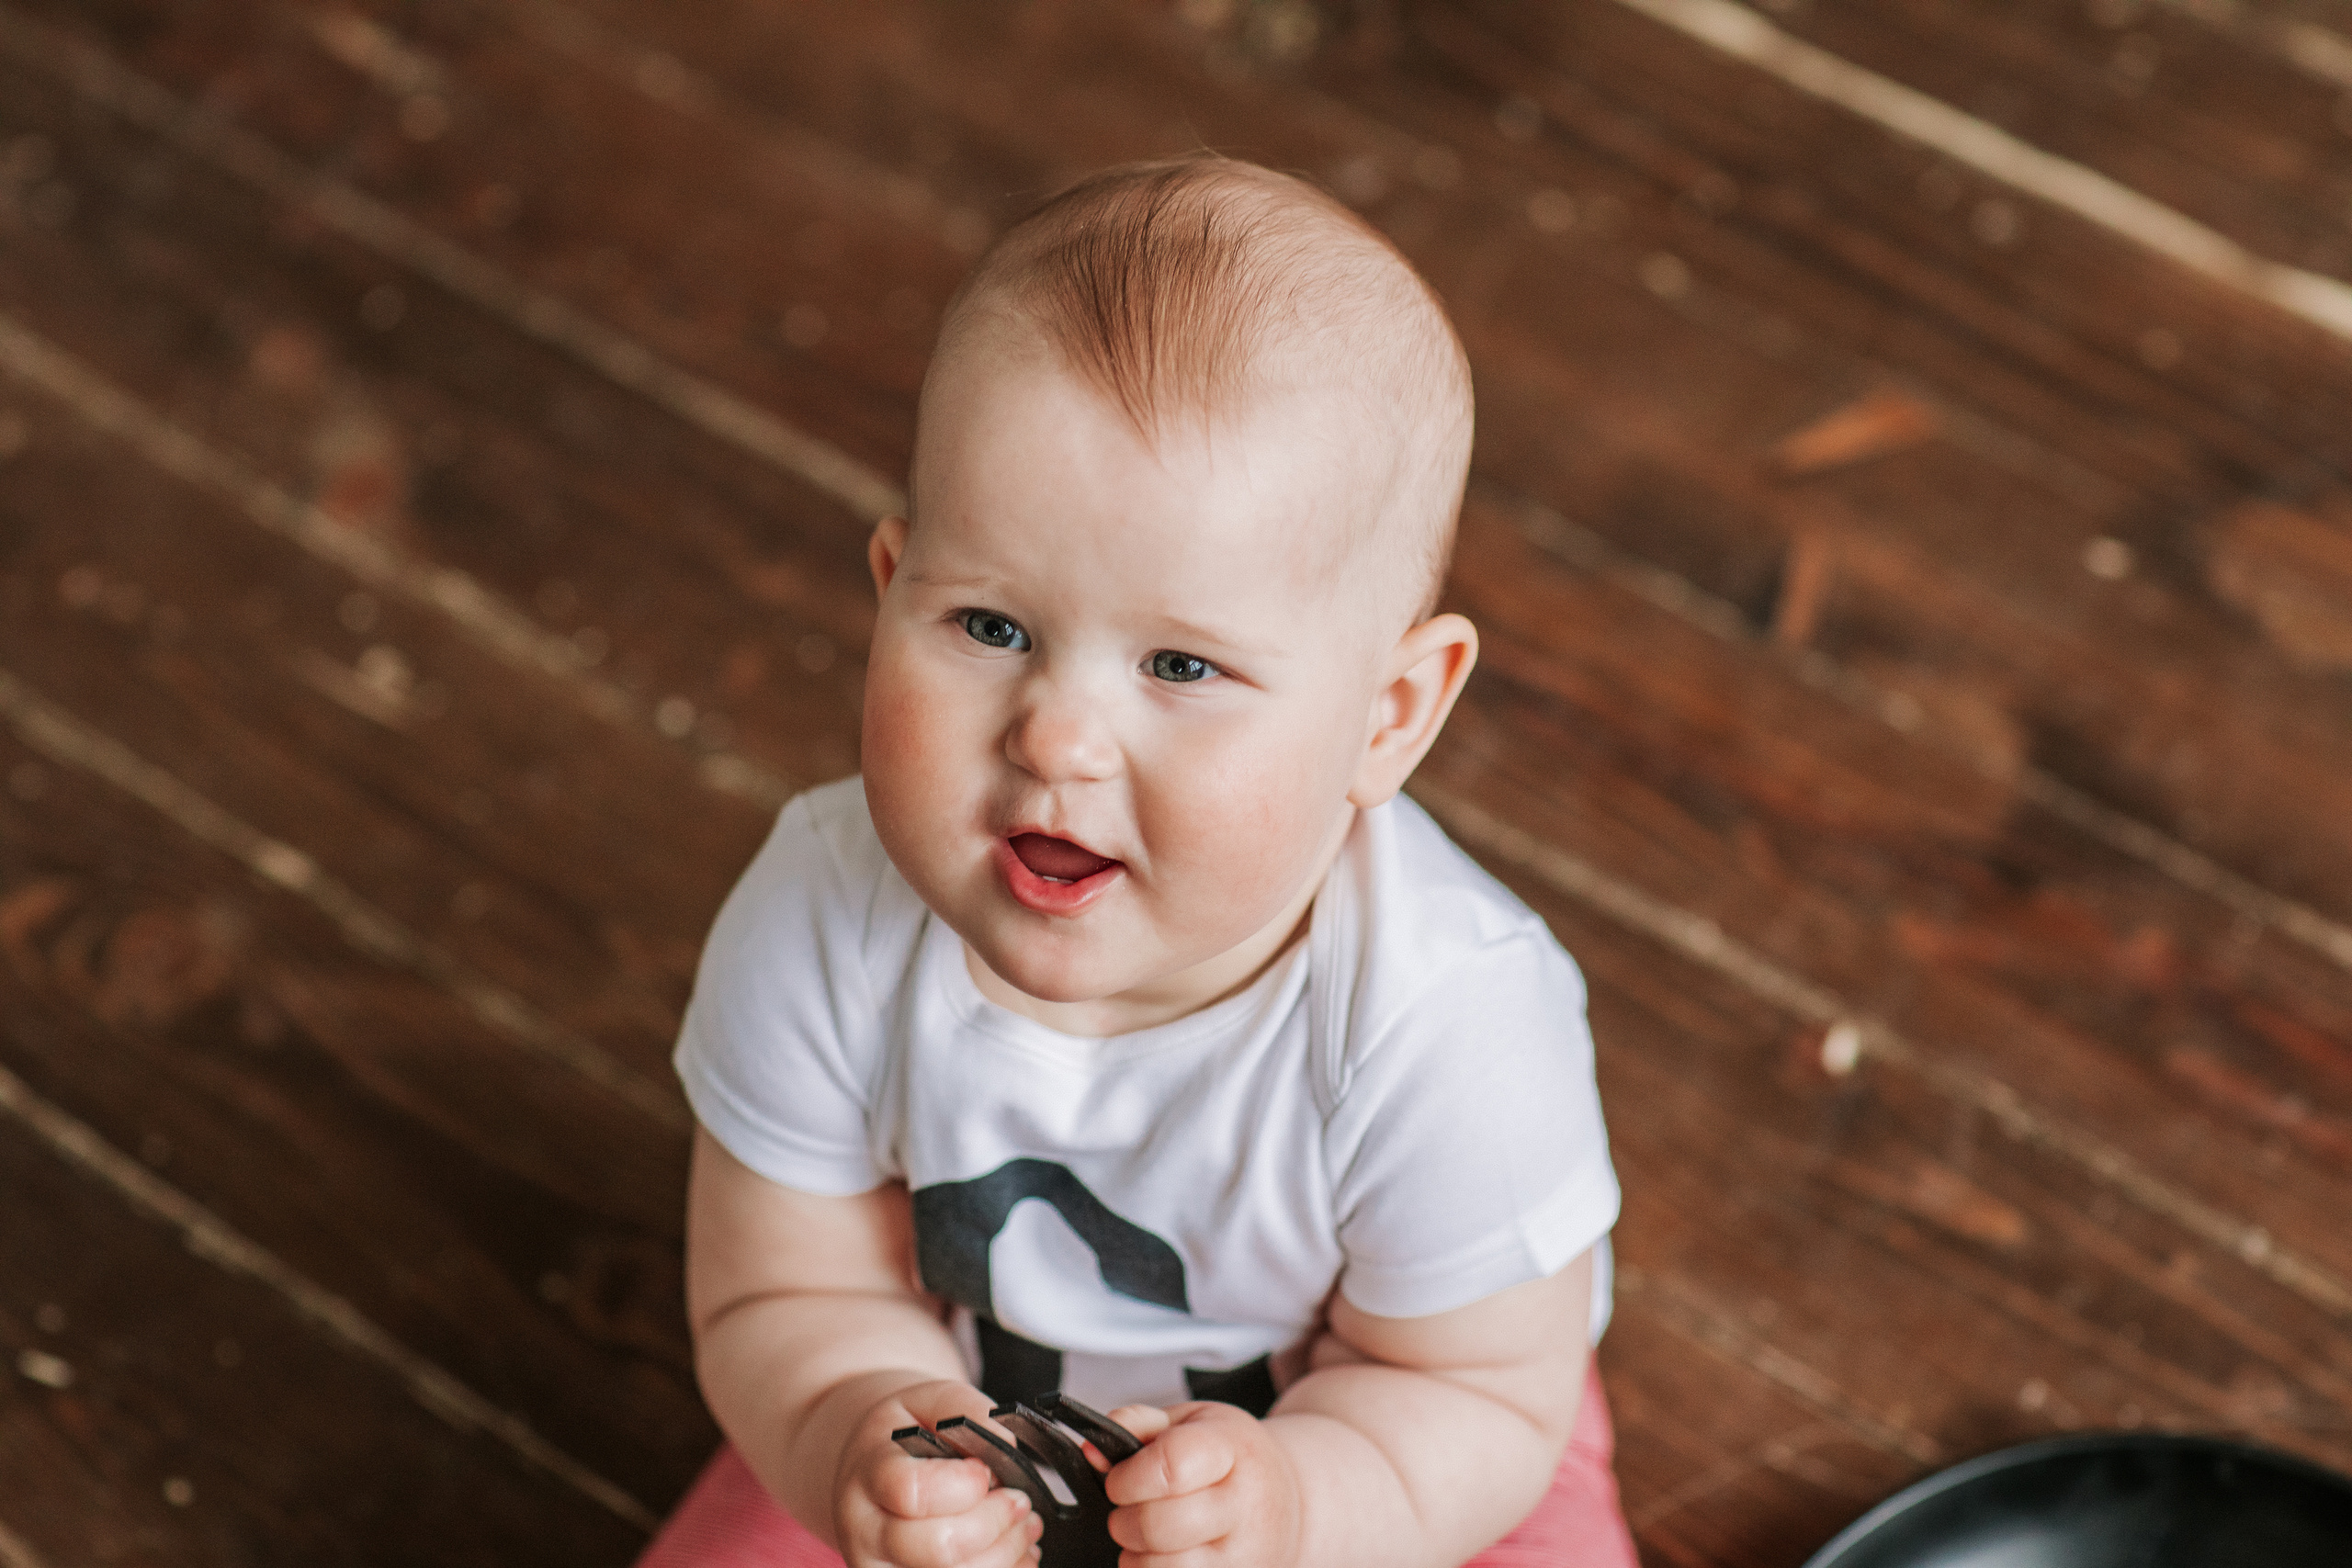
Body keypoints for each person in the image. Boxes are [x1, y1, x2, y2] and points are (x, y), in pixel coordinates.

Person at [642, 154, 1637, 1568]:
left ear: (1388, 716)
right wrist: (860, 1432)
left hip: (1382, 1460)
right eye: (991, 628)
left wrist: (1298, 1509)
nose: (1057, 736)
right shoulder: (822, 917)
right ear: (890, 589)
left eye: (1181, 665)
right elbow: (783, 1297)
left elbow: (1473, 1394)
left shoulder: (1450, 1026)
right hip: (959, 1406)